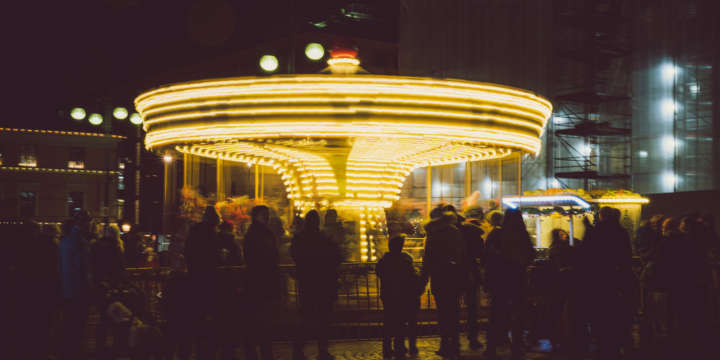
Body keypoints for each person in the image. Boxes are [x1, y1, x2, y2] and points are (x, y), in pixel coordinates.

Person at [577, 206, 633, 360]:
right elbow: (626, 257)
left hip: (597, 281)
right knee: (615, 314)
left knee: (599, 315)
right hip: (616, 280)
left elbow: (585, 257)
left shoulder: (595, 232)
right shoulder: (621, 233)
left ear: (601, 216)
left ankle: (602, 347)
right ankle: (615, 345)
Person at [291, 210, 342, 360]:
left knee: (307, 318)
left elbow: (296, 256)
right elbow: (336, 257)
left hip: (308, 284)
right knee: (324, 320)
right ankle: (322, 350)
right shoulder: (324, 239)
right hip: (324, 284)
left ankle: (298, 349)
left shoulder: (299, 239)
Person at [484, 209, 534, 360]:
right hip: (517, 280)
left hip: (500, 281)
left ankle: (491, 346)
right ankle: (517, 347)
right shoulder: (522, 235)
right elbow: (530, 255)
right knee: (518, 314)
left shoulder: (497, 234)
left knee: (497, 314)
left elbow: (487, 257)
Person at [421, 205, 466, 358]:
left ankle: (445, 342)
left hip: (439, 277)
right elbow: (460, 256)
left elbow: (427, 259)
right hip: (454, 277)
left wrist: (423, 280)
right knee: (454, 310)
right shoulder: (455, 233)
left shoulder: (433, 235)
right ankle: (455, 342)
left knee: (443, 312)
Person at [185, 206, 222, 360]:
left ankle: (197, 347)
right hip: (209, 278)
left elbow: (188, 252)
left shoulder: (195, 231)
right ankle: (207, 348)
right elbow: (215, 255)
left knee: (198, 315)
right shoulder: (212, 234)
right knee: (209, 315)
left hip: (196, 276)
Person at [244, 205, 280, 360]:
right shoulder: (261, 234)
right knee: (262, 319)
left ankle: (256, 350)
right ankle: (262, 351)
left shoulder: (254, 233)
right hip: (262, 281)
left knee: (258, 319)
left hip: (257, 281)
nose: (267, 217)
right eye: (264, 215)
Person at [376, 234, 422, 358]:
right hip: (403, 294)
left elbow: (379, 273)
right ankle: (401, 346)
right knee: (402, 321)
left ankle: (388, 347)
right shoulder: (405, 259)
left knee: (390, 320)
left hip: (389, 294)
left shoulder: (384, 260)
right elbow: (411, 275)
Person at [59, 210, 94, 359]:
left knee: (68, 323)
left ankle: (66, 352)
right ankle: (74, 353)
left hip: (66, 288)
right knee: (78, 324)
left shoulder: (65, 240)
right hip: (79, 290)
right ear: (85, 223)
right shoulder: (81, 241)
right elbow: (82, 267)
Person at [92, 223, 128, 358]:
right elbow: (119, 268)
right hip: (113, 285)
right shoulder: (115, 247)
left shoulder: (95, 245)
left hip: (99, 285)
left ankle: (100, 346)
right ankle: (115, 346)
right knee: (115, 316)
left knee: (102, 316)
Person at [459, 205, 485, 349]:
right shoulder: (477, 237)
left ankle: (453, 338)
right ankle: (473, 336)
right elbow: (482, 255)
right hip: (471, 275)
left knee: (454, 307)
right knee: (472, 308)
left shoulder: (458, 236)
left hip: (457, 273)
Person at [547, 229, 576, 355]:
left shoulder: (556, 248)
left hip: (558, 283)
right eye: (562, 234)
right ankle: (562, 337)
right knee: (561, 310)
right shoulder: (560, 248)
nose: (565, 235)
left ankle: (560, 338)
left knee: (559, 310)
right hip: (562, 282)